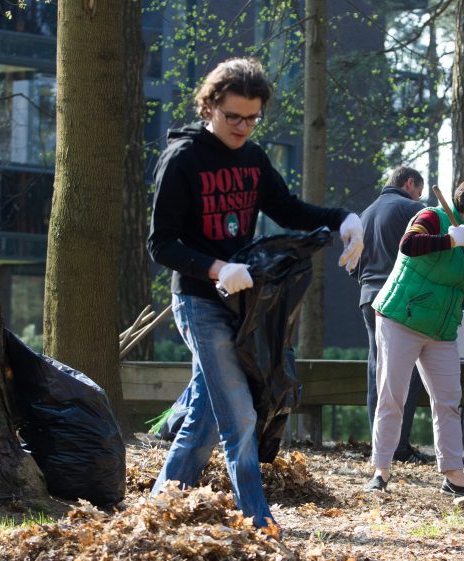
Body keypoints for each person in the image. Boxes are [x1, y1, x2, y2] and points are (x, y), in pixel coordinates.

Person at [147, 57, 363, 530]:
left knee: (204, 421)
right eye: (233, 117)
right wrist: (217, 267)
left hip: (243, 304)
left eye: (252, 117)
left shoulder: (253, 158)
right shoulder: (182, 160)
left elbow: (287, 209)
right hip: (199, 302)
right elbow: (160, 244)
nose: (243, 126)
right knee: (240, 415)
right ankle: (256, 518)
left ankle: (159, 509)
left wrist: (344, 218)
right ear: (209, 107)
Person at [364, 174, 464, 497]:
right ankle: (380, 471)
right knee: (393, 395)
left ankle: (454, 476)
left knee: (448, 400)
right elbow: (408, 245)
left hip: (441, 329)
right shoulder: (432, 217)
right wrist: (447, 240)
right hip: (401, 317)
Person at [355, 166, 431, 464]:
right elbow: (426, 253)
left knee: (377, 368)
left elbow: (352, 263)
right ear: (409, 183)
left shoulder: (364, 215)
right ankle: (397, 445)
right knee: (406, 371)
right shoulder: (412, 209)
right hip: (400, 298)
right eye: (419, 190)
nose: (420, 197)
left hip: (368, 296)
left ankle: (379, 444)